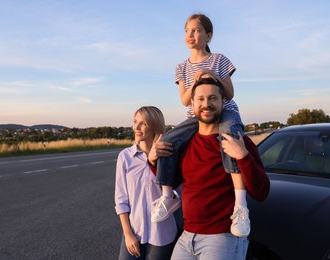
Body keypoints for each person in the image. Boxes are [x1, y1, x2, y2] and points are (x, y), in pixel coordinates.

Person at [151, 13, 251, 238]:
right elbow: (185, 100)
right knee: (167, 141)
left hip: (224, 111)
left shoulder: (219, 59)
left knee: (230, 141)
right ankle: (168, 196)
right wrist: (196, 81)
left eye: (196, 30)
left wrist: (213, 75)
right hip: (195, 115)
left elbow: (230, 93)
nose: (190, 35)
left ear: (209, 35)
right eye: (187, 31)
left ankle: (240, 205)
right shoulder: (181, 67)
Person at [165, 75, 270, 259]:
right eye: (200, 99)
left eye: (213, 98)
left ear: (223, 101)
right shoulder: (187, 142)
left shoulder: (238, 141)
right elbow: (175, 182)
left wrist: (244, 157)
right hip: (186, 236)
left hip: (222, 238)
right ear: (192, 103)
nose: (206, 104)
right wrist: (152, 160)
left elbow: (261, 192)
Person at [114, 106, 178, 260]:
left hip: (161, 234)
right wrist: (128, 235)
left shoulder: (169, 155)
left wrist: (156, 161)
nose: (136, 127)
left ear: (155, 126)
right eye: (135, 122)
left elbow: (176, 193)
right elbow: (121, 199)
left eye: (143, 123)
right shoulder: (125, 157)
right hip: (134, 231)